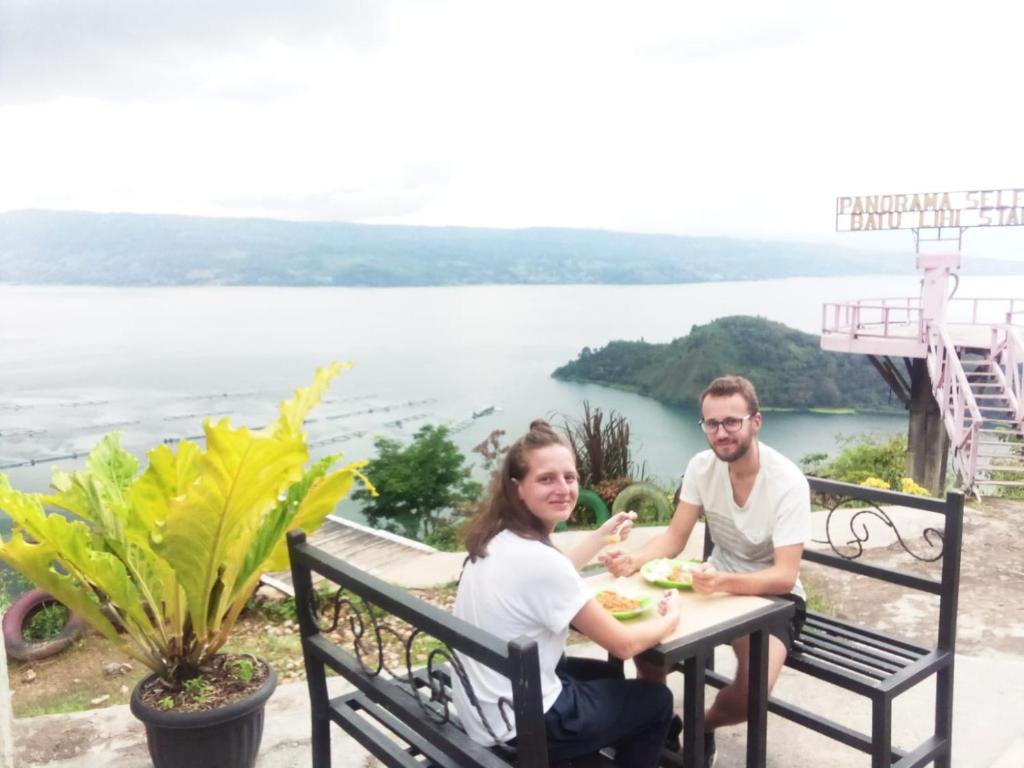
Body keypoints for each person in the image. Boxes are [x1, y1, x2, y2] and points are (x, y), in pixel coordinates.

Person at [601, 376, 811, 767]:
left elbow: (784, 575)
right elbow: (676, 537)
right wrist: (634, 559)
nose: (721, 433)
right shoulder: (701, 467)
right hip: (713, 581)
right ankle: (659, 722)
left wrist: (723, 582)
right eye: (711, 424)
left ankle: (702, 726)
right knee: (647, 639)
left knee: (753, 695)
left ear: (756, 422)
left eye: (732, 422)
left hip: (772, 597)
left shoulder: (787, 483)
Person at [452, 419, 682, 768]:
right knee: (656, 701)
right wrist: (671, 619)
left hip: (487, 708)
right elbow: (623, 645)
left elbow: (553, 573)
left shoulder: (498, 539)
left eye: (569, 477)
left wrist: (602, 536)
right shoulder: (539, 561)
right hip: (522, 727)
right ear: (518, 488)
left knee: (605, 675)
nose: (563, 488)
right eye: (546, 479)